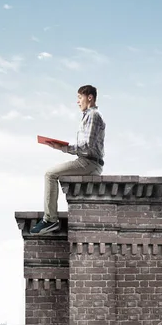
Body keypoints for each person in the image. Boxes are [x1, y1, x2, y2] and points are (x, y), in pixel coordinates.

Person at [31, 84, 106, 235]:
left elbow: (86, 147)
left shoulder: (93, 115)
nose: (78, 102)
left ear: (89, 97)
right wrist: (61, 146)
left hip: (88, 163)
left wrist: (63, 147)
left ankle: (50, 220)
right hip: (88, 162)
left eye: (79, 97)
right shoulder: (88, 116)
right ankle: (50, 219)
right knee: (50, 173)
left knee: (50, 174)